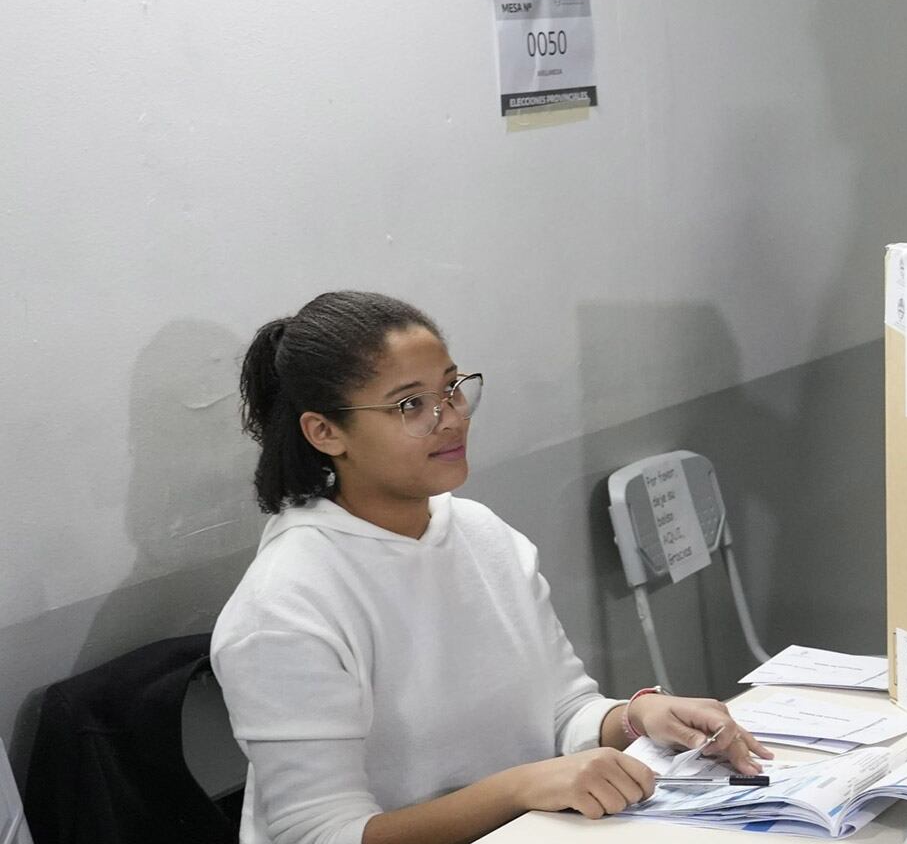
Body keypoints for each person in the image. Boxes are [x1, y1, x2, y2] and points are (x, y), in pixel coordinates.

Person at [211, 291, 771, 844]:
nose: (450, 419)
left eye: (452, 389)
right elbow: (318, 834)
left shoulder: (480, 532)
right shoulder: (285, 604)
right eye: (410, 405)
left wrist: (640, 718)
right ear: (324, 432)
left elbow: (565, 711)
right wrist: (519, 789)